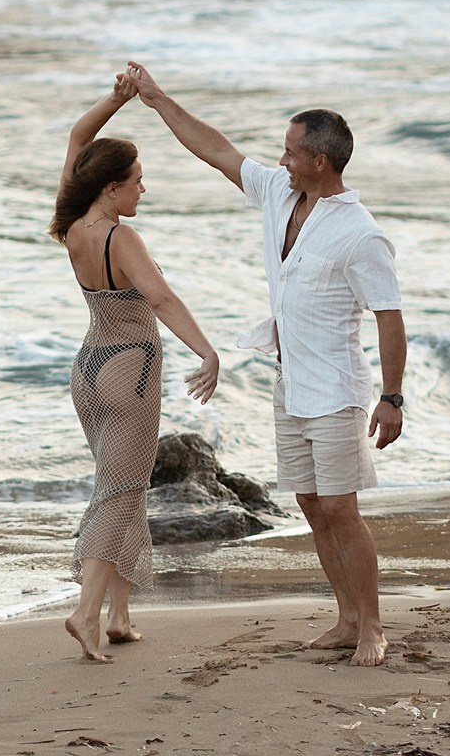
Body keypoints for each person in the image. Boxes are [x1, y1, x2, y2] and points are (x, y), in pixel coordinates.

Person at [126, 64, 404, 666]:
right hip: (289, 382)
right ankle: (346, 617)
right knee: (308, 502)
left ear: (320, 162)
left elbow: (389, 317)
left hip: (335, 387)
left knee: (340, 506)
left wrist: (393, 396)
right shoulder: (281, 193)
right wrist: (156, 100)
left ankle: (374, 626)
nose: (280, 159)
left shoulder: (360, 234)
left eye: (289, 151)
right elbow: (218, 151)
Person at [53, 74, 222, 663]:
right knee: (119, 491)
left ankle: (121, 615)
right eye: (136, 181)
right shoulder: (121, 237)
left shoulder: (73, 225)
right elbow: (162, 299)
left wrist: (118, 101)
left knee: (124, 487)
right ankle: (85, 612)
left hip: (89, 369)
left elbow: (78, 135)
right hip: (132, 371)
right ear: (109, 187)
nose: (142, 189)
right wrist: (208, 351)